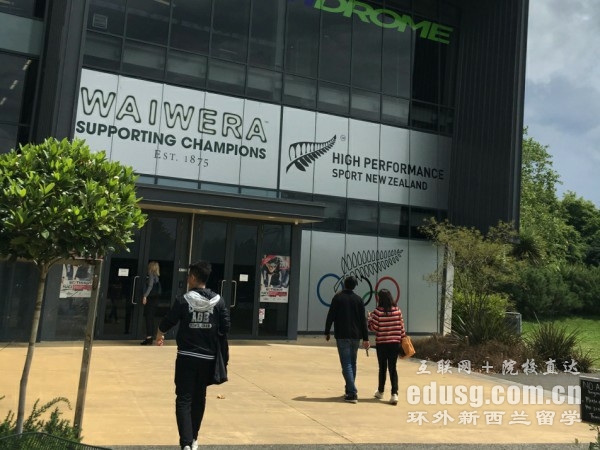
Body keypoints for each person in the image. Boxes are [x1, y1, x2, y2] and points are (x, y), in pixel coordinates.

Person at [155, 261, 230, 450]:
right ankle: (194, 438)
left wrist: (160, 333)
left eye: (189, 276)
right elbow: (226, 326)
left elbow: (169, 320)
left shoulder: (183, 300)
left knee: (183, 399)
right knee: (199, 398)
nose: (187, 279)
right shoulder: (219, 301)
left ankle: (186, 443)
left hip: (186, 357)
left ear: (194, 277)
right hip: (208, 358)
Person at [324, 275, 370, 403]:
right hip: (356, 335)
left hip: (342, 335)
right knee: (352, 362)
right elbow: (363, 321)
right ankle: (349, 389)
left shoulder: (338, 298)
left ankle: (352, 393)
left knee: (346, 363)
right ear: (355, 286)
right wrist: (366, 338)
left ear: (344, 284)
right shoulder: (359, 300)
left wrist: (327, 331)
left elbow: (331, 315)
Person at [367, 288, 406, 405]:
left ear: (380, 298)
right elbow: (402, 328)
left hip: (382, 344)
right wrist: (402, 340)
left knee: (382, 368)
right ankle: (394, 394)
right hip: (395, 344)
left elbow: (373, 328)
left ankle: (380, 391)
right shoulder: (397, 310)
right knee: (393, 368)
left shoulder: (378, 312)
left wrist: (369, 319)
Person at [140, 261, 161, 345]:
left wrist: (145, 296)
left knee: (148, 317)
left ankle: (149, 337)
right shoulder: (157, 276)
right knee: (151, 318)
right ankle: (150, 336)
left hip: (151, 299)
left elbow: (150, 286)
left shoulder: (151, 275)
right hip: (155, 299)